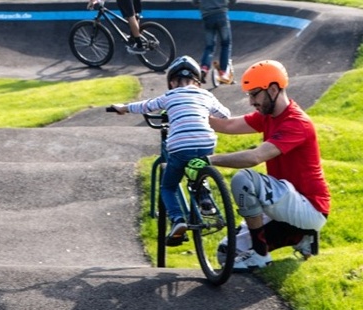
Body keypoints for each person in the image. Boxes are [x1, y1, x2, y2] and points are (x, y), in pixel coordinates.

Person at [185, 60, 331, 271]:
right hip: (283, 203)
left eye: (255, 94)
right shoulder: (267, 116)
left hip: (310, 207)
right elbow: (227, 124)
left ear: (272, 90)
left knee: (244, 179)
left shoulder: (297, 122)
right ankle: (301, 237)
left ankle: (261, 256)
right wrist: (186, 114)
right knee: (226, 253)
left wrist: (210, 160)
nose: (251, 101)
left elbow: (254, 157)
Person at [110, 55, 231, 246]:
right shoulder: (206, 95)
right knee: (198, 167)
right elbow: (225, 114)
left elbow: (146, 106)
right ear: (197, 81)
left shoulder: (169, 96)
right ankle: (205, 197)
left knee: (168, 187)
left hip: (181, 146)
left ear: (172, 82)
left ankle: (177, 220)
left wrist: (123, 108)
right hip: (207, 143)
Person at [192, 0, 236, 84]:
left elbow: (194, 2)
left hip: (207, 16)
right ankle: (223, 72)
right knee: (226, 44)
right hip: (221, 14)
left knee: (209, 46)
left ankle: (204, 68)